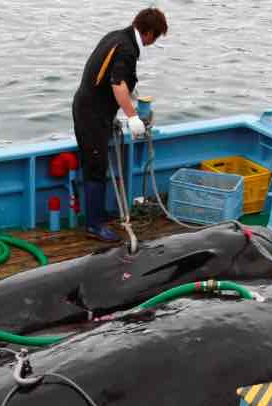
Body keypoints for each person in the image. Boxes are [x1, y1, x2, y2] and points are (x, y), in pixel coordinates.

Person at [72, 8, 168, 242]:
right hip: (91, 115)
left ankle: (98, 215)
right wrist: (133, 116)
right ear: (148, 33)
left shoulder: (116, 36)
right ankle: (94, 225)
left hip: (94, 110)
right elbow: (117, 84)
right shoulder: (126, 49)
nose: (152, 43)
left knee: (98, 164)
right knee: (96, 167)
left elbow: (106, 78)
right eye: (154, 38)